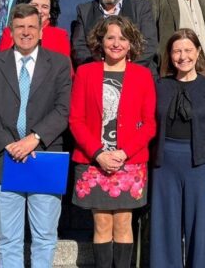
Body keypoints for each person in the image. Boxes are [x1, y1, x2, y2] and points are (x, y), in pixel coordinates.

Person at [0, 4, 72, 268]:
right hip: (5, 158)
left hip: (44, 157)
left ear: (41, 31)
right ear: (11, 31)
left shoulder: (60, 64)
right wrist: (9, 144)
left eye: (31, 27)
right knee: (8, 239)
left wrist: (34, 138)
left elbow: (64, 108)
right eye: (20, 27)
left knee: (44, 236)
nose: (26, 32)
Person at [69, 15, 156, 268]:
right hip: (93, 161)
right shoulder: (86, 73)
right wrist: (98, 153)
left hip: (129, 162)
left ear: (131, 43)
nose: (116, 43)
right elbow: (76, 120)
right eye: (110, 37)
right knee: (102, 223)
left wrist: (123, 153)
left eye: (123, 38)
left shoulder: (142, 75)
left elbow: (149, 124)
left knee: (123, 223)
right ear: (100, 41)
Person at [150, 28, 205, 267]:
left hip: (201, 164)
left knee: (201, 229)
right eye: (177, 51)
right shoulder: (159, 85)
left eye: (188, 50)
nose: (183, 56)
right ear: (169, 55)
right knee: (164, 228)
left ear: (198, 52)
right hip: (164, 165)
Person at [71, 0, 157, 73]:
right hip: (97, 75)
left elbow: (149, 45)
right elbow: (79, 48)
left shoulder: (141, 8)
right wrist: (102, 71)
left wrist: (123, 70)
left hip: (136, 73)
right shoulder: (84, 10)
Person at [0, 0, 71, 59]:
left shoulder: (60, 36)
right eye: (34, 5)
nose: (39, 10)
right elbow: (2, 63)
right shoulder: (9, 32)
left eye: (44, 7)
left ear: (50, 12)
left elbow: (65, 67)